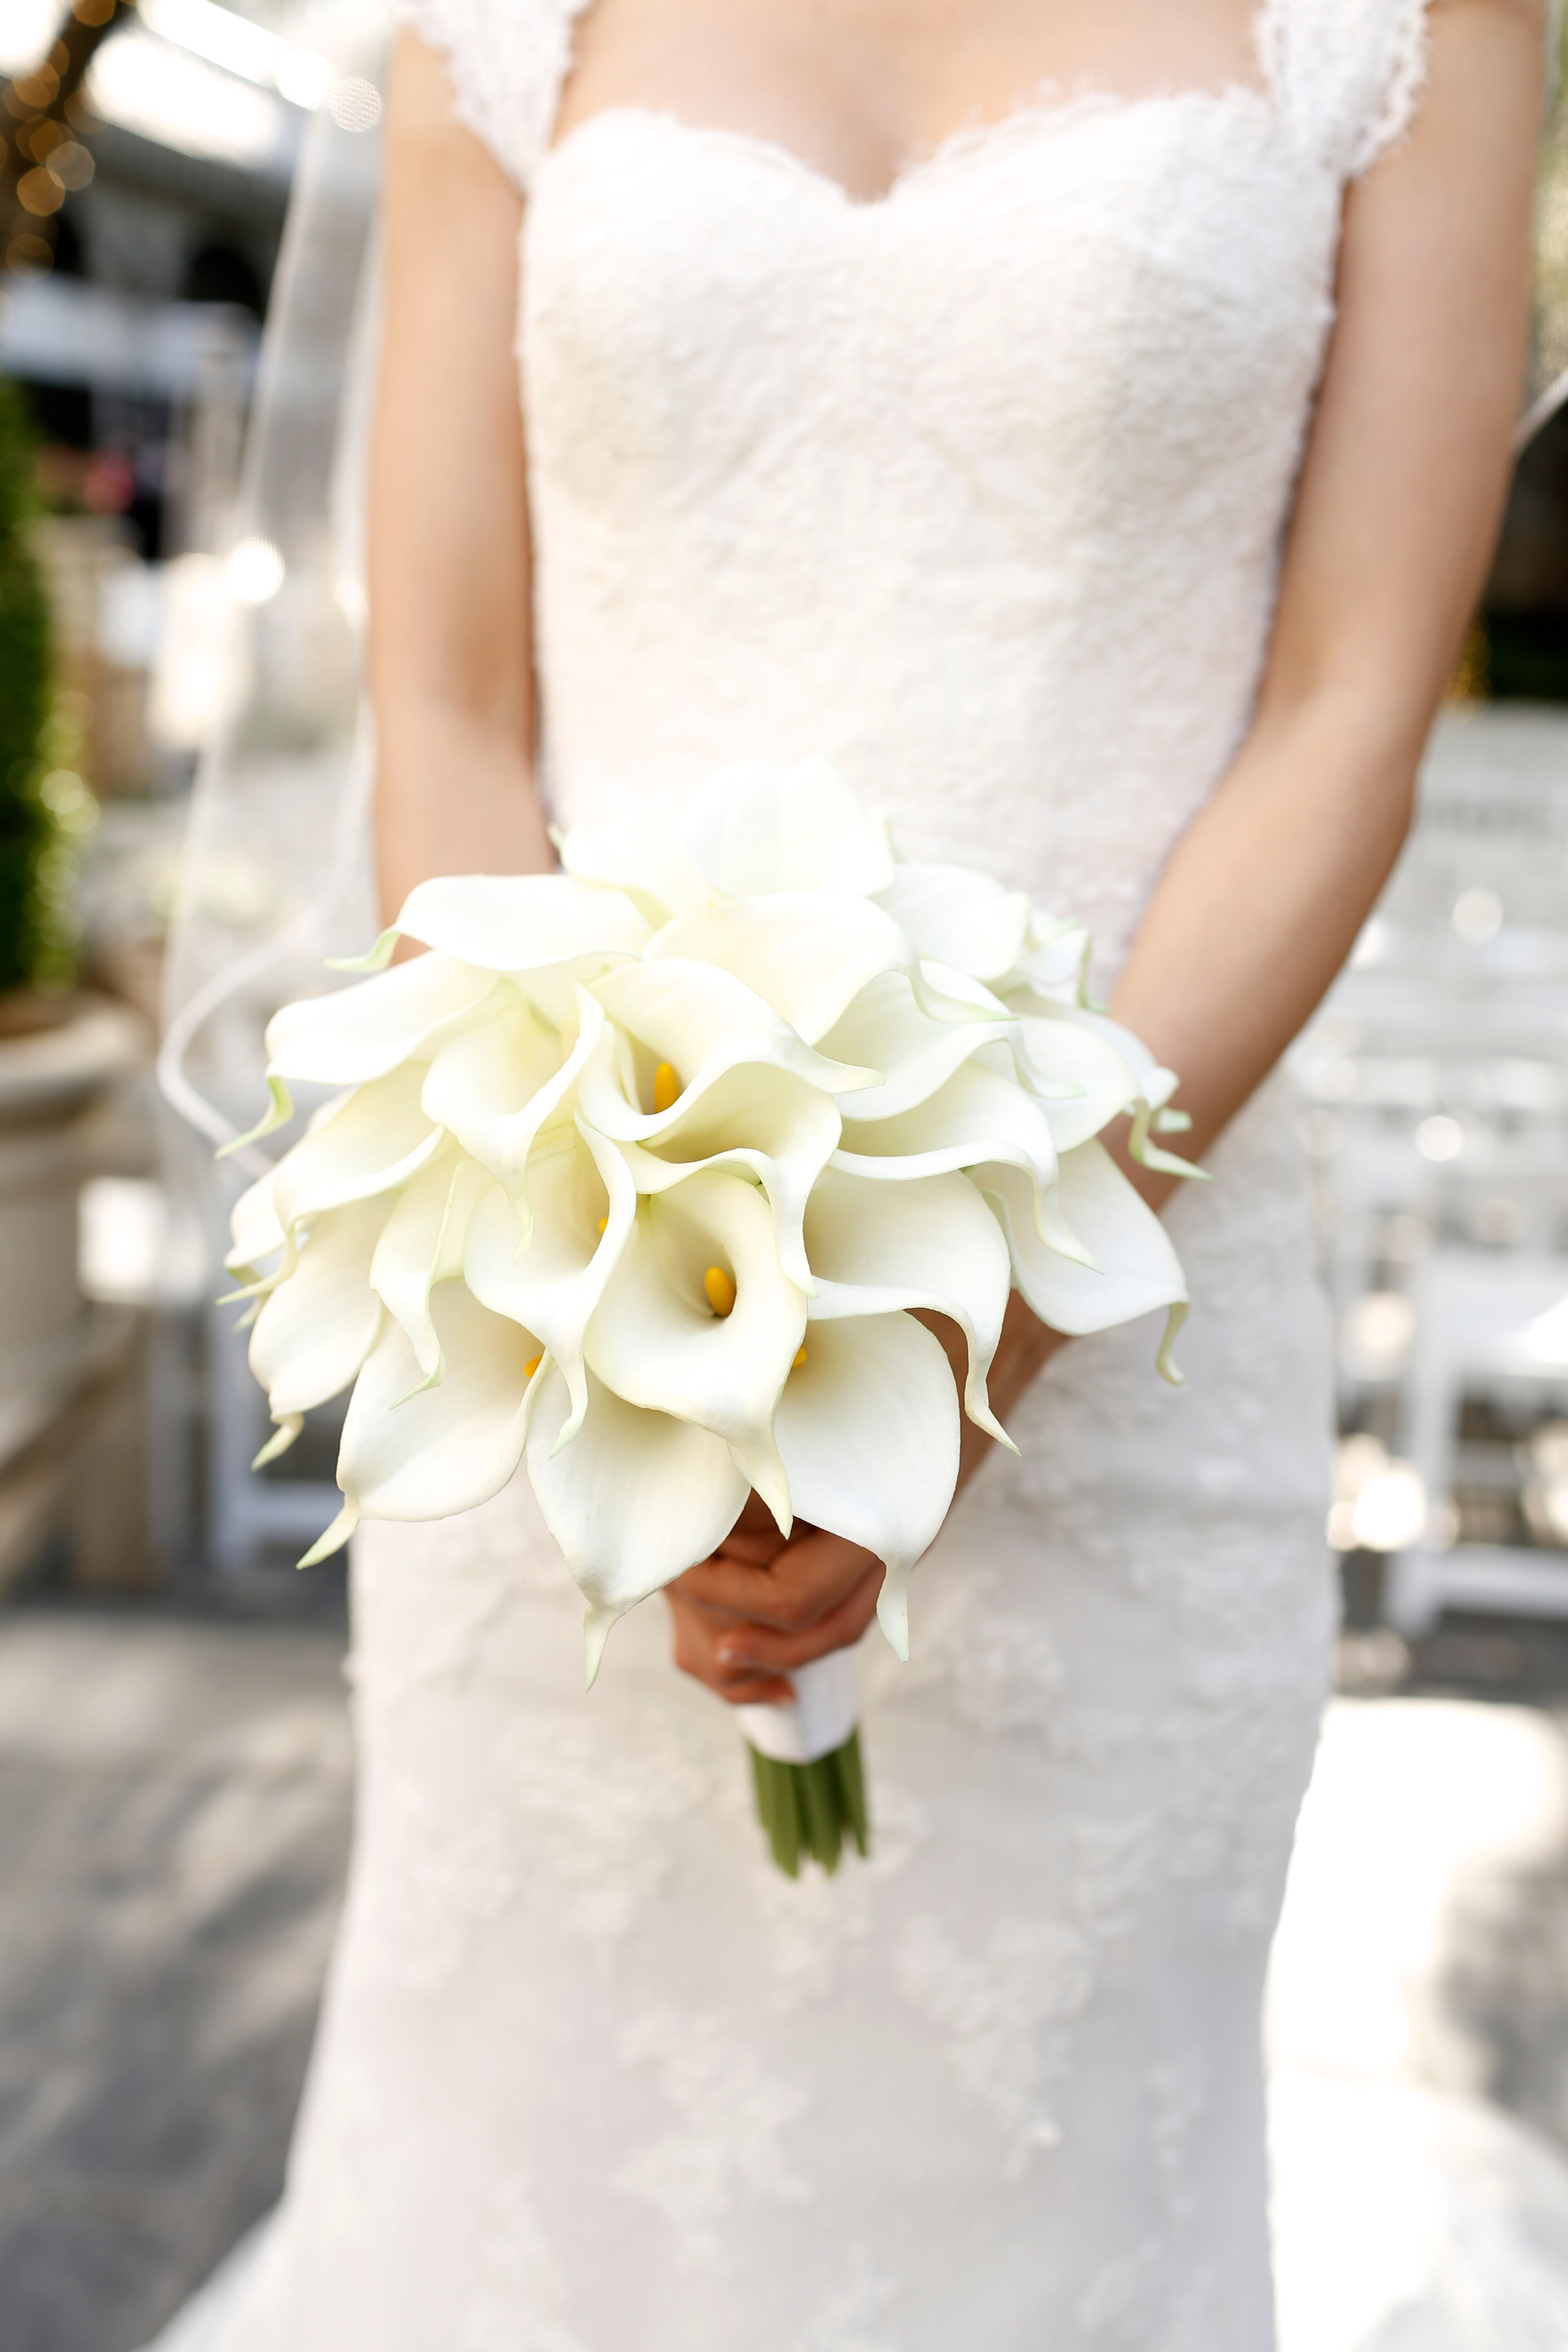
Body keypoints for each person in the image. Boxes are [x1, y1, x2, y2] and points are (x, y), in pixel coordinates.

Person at [149, 1, 1542, 2344]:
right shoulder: (488, 26)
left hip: (1127, 1328)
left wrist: (992, 1306)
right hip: (584, 1320)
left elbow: (1351, 705)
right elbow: (454, 702)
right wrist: (581, 1268)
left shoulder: (1410, 25)